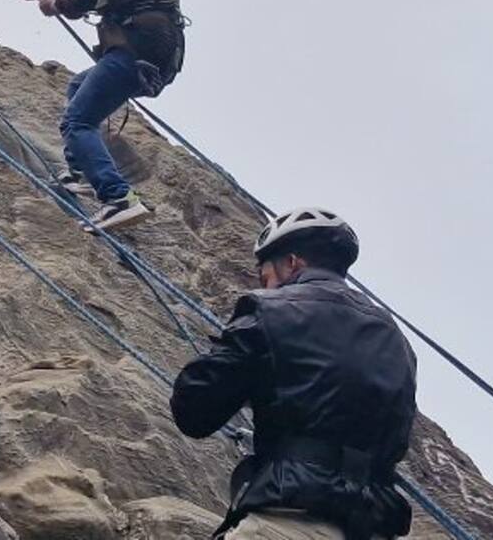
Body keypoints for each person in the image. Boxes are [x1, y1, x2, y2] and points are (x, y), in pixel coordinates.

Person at [170, 210, 418, 540]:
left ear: (292, 263)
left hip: (289, 522)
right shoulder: (396, 340)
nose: (266, 286)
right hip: (372, 525)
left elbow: (194, 411)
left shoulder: (270, 311)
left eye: (265, 276)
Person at [13, 0, 181, 231]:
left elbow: (77, 2)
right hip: (156, 53)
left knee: (77, 121)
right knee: (79, 87)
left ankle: (117, 197)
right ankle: (79, 171)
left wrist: (53, 5)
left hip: (133, 48)